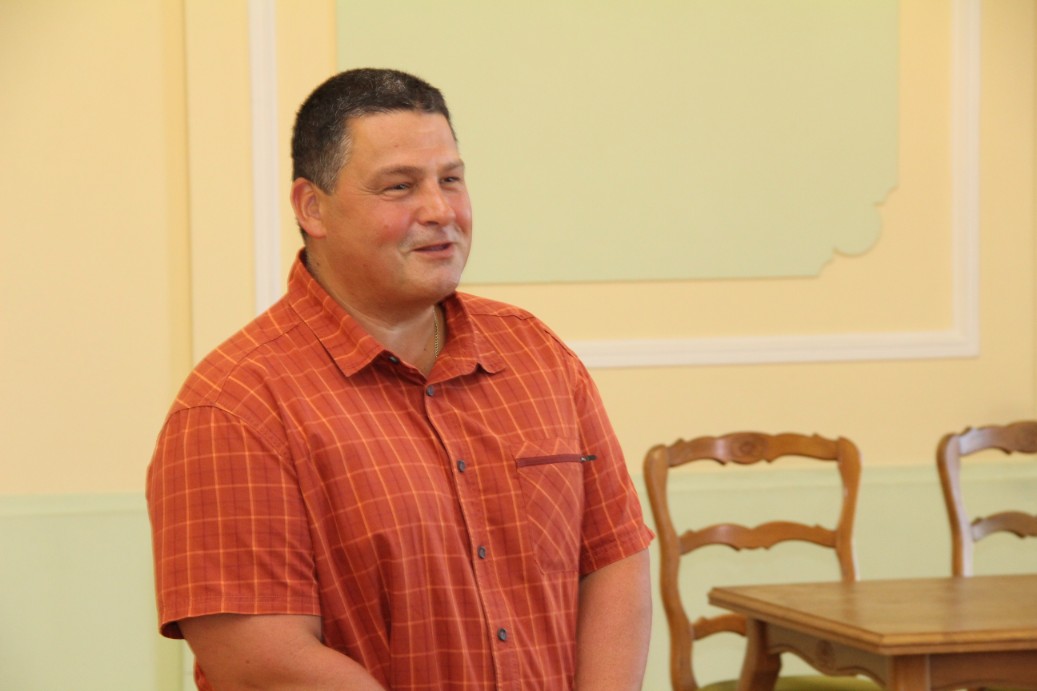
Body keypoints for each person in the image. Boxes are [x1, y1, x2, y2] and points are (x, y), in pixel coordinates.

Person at [146, 67, 654, 690]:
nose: (440, 210)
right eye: (399, 187)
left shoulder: (536, 355)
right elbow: (265, 663)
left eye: (451, 180)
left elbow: (613, 558)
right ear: (312, 208)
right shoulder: (236, 407)